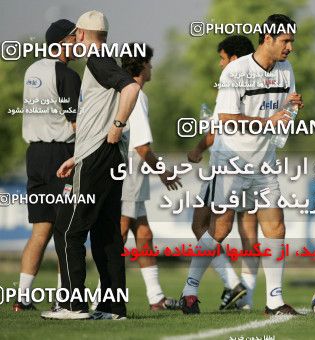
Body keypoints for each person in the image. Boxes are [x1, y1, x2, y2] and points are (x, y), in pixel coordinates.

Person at [180, 14, 304, 315]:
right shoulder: (236, 71)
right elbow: (226, 119)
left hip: (264, 163)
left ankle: (274, 300)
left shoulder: (286, 70)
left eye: (291, 42)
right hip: (231, 161)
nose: (289, 47)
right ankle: (190, 290)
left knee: (276, 227)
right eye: (285, 41)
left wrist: (289, 113)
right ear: (268, 39)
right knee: (219, 229)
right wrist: (268, 121)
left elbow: (287, 109)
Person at [41, 10, 140, 320]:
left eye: (75, 35)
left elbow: (131, 88)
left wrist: (118, 125)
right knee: (106, 233)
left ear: (81, 35)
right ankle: (113, 307)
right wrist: (76, 156)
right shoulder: (103, 59)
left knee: (67, 229)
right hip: (104, 157)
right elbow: (97, 114)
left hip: (99, 155)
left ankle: (73, 305)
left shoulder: (97, 60)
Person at [187, 35, 260, 311]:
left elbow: (219, 127)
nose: (220, 65)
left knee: (202, 226)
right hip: (255, 163)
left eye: (222, 58)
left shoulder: (232, 79)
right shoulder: (263, 79)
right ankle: (246, 299)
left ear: (233, 58)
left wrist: (196, 150)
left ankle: (231, 284)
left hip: (227, 163)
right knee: (249, 233)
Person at [14, 19, 81, 312]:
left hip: (35, 156)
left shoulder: (31, 70)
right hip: (60, 156)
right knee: (65, 229)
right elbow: (78, 123)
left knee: (40, 230)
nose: (79, 42)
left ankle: (22, 297)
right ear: (62, 42)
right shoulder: (65, 73)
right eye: (74, 38)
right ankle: (62, 299)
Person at [119, 43, 181, 311]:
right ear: (142, 66)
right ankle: (102, 295)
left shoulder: (124, 91)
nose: (152, 66)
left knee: (143, 233)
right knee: (118, 234)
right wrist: (164, 172)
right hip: (128, 172)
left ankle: (156, 297)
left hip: (133, 172)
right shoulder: (137, 96)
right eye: (149, 62)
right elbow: (142, 147)